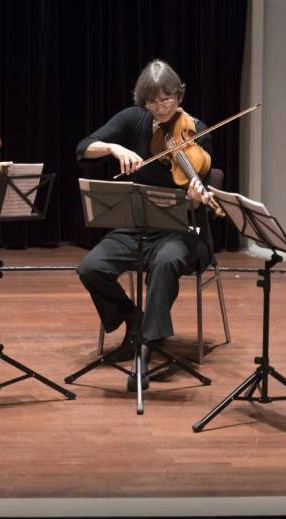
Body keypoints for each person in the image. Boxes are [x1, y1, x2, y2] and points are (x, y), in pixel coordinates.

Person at [75, 59, 216, 391]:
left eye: (166, 99)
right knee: (90, 267)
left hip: (184, 230)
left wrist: (195, 197)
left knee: (165, 263)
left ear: (179, 95)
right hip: (138, 227)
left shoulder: (196, 130)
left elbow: (199, 191)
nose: (160, 107)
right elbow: (84, 147)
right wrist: (113, 146)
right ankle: (133, 319)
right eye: (152, 101)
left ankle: (145, 348)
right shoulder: (134, 119)